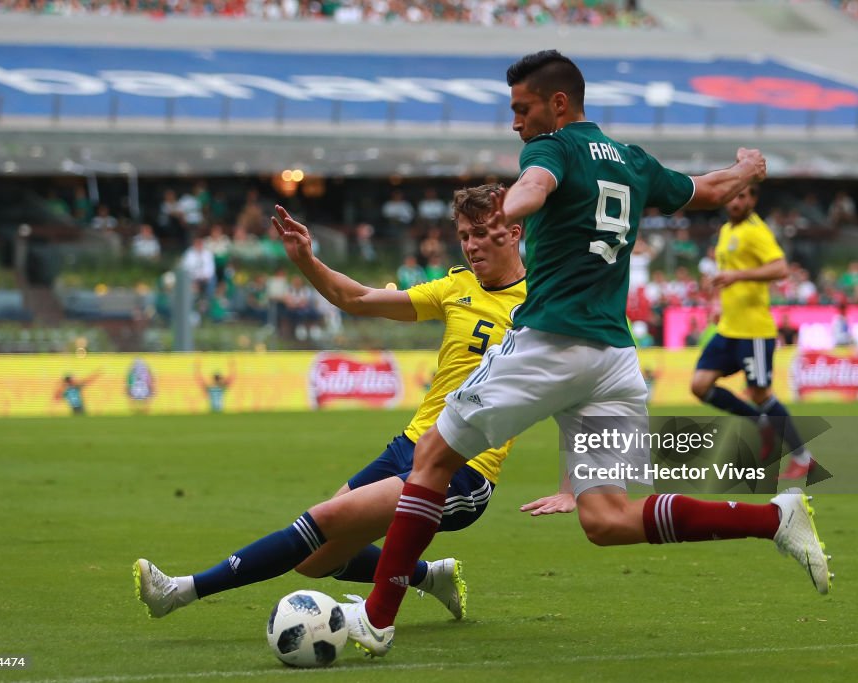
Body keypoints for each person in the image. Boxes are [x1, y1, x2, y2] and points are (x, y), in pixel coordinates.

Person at [345, 50, 831, 658]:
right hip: (612, 362)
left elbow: (533, 185)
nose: (516, 123)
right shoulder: (631, 160)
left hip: (550, 344)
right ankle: (776, 518)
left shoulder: (553, 148)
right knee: (607, 520)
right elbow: (708, 190)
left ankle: (376, 619)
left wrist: (511, 206)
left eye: (521, 110)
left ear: (557, 104)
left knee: (432, 457)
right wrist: (748, 165)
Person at [134, 184, 553, 625]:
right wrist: (307, 262)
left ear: (513, 231)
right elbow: (358, 299)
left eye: (482, 233)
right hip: (412, 446)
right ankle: (430, 577)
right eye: (465, 234)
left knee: (323, 519)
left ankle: (181, 591)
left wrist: (573, 484)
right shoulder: (457, 288)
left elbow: (574, 383)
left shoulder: (541, 303)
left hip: (465, 470)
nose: (471, 245)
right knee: (316, 560)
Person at [690, 183, 816, 481]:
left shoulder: (756, 231)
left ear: (752, 200)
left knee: (761, 393)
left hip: (753, 331)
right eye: (733, 195)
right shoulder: (726, 231)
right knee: (700, 385)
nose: (736, 201)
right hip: (728, 328)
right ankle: (760, 423)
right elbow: (725, 276)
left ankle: (803, 457)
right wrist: (718, 300)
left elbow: (781, 268)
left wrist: (738, 275)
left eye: (743, 196)